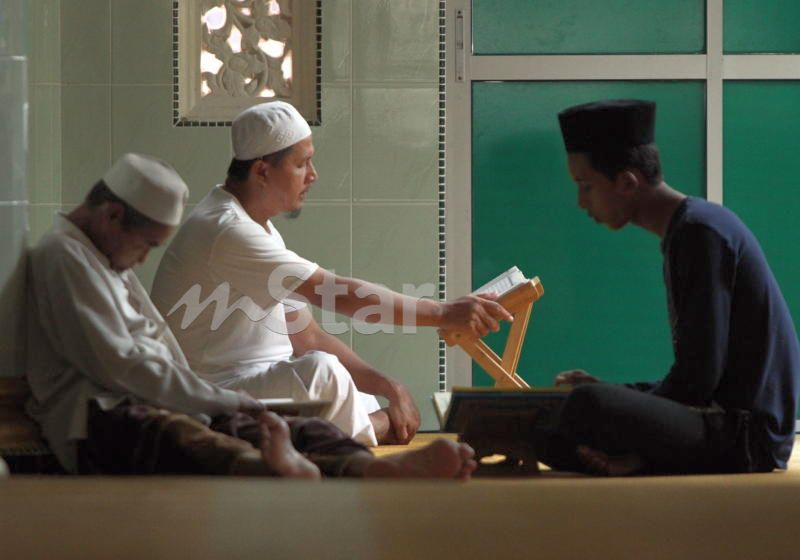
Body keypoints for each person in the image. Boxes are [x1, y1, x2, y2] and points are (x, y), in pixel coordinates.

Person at [25, 153, 477, 480]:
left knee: (294, 427)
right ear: (111, 215)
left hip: (169, 396)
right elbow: (124, 367)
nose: (143, 260)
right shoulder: (64, 258)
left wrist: (226, 405)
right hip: (101, 419)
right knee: (193, 438)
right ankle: (288, 470)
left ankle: (378, 469)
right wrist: (223, 401)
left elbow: (307, 333)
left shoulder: (103, 257)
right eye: (146, 245)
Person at [151, 101, 511, 446]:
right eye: (302, 164)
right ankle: (372, 428)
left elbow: (306, 336)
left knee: (347, 381)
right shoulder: (227, 230)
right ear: (262, 171)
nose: (313, 175)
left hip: (260, 386)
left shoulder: (259, 228)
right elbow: (336, 292)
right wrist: (443, 313)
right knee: (324, 374)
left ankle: (351, 427)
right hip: (212, 396)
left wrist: (388, 386)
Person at [537, 99, 800, 476]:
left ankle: (638, 459)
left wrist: (617, 399)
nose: (581, 202)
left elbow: (698, 381)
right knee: (554, 430)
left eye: (586, 186)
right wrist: (624, 394)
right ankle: (635, 460)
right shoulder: (688, 229)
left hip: (746, 438)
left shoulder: (700, 233)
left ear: (627, 182)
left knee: (587, 405)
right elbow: (695, 380)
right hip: (718, 421)